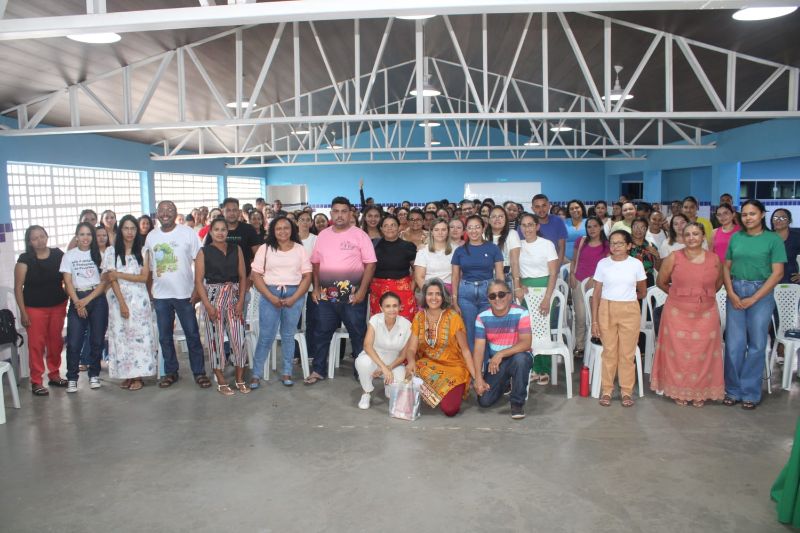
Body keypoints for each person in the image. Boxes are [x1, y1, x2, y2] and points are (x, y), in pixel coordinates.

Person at [651, 222, 724, 407]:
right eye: (688, 234)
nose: (692, 237)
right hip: (677, 313)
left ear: (703, 237)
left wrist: (701, 296)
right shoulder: (674, 257)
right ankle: (678, 390)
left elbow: (718, 284)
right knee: (678, 353)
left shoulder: (714, 259)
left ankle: (700, 392)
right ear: (683, 238)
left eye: (696, 234)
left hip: (706, 313)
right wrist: (680, 296)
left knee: (703, 352)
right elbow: (661, 282)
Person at [306, 196, 377, 384]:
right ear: (331, 213)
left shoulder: (360, 235)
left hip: (353, 297)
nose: (339, 215)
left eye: (344, 211)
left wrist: (362, 291)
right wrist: (315, 288)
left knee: (358, 334)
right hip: (325, 296)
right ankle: (318, 370)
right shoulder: (323, 236)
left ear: (350, 213)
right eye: (336, 211)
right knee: (321, 333)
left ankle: (361, 372)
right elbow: (315, 263)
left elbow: (370, 265)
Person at [723, 200, 786, 410]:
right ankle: (733, 390)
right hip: (736, 291)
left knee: (757, 344)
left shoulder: (773, 239)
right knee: (734, 344)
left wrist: (755, 297)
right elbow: (726, 266)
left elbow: (778, 273)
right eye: (744, 214)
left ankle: (750, 392)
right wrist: (731, 292)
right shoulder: (736, 238)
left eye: (752, 214)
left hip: (762, 293)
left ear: (762, 215)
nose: (748, 218)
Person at [146, 200, 210, 389]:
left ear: (175, 213)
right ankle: (170, 372)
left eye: (170, 210)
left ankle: (199, 373)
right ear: (157, 214)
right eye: (162, 210)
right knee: (165, 337)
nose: (165, 213)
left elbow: (199, 259)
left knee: (192, 334)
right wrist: (149, 291)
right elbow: (149, 266)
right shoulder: (151, 236)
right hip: (160, 296)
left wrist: (198, 288)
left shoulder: (187, 233)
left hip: (184, 294)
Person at [250, 216, 312, 388]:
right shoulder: (265, 248)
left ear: (292, 229)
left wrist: (294, 297)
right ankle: (256, 373)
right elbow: (256, 275)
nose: (283, 231)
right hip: (269, 293)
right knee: (266, 335)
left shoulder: (300, 249)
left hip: (294, 294)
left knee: (288, 335)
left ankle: (287, 372)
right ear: (273, 231)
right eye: (278, 228)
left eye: (286, 228)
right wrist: (270, 297)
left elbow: (307, 276)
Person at [590, 230, 647, 407]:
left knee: (627, 354)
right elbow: (596, 294)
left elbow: (643, 291)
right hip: (606, 309)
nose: (615, 246)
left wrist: (627, 299)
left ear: (629, 246)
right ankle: (607, 390)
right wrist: (594, 320)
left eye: (620, 243)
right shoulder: (603, 264)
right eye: (612, 243)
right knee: (609, 351)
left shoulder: (636, 264)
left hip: (629, 310)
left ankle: (626, 391)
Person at [405, 279, 477, 416]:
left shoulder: (453, 317)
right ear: (424, 296)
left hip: (453, 369)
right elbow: (411, 349)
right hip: (428, 367)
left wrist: (476, 378)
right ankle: (436, 394)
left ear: (443, 297)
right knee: (412, 370)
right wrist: (411, 361)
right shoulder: (419, 317)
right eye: (430, 294)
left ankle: (441, 392)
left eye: (438, 294)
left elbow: (466, 351)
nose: (434, 298)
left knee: (450, 409)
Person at [102, 215, 157, 391]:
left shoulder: (144, 251)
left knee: (139, 337)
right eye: (126, 228)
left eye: (133, 228)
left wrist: (119, 274)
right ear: (120, 230)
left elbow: (143, 277)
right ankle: (127, 374)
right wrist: (122, 303)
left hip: (139, 300)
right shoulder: (111, 252)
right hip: (117, 300)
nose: (130, 232)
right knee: (121, 337)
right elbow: (110, 279)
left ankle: (138, 375)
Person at [195, 218, 249, 395]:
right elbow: (198, 281)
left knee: (239, 339)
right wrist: (207, 305)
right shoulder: (204, 252)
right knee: (215, 340)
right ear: (210, 232)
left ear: (228, 232)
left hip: (234, 296)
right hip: (213, 297)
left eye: (223, 229)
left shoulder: (236, 249)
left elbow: (243, 277)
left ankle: (240, 379)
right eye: (216, 229)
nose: (220, 233)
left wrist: (241, 301)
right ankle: (221, 380)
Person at [14, 225, 68, 396]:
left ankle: (54, 374)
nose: (39, 240)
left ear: (46, 236)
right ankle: (36, 381)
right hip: (34, 309)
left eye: (42, 236)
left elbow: (67, 279)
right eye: (35, 238)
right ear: (29, 242)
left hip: (58, 306)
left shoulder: (58, 254)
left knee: (56, 342)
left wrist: (69, 299)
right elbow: (18, 288)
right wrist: (23, 312)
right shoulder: (25, 259)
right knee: (36, 345)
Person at [473, 279, 533, 419]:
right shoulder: (482, 317)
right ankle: (505, 382)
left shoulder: (522, 312)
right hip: (497, 364)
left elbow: (526, 343)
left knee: (521, 359)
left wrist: (501, 354)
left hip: (518, 356)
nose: (497, 299)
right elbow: (478, 350)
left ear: (509, 295)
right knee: (484, 401)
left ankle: (517, 403)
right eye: (492, 296)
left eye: (501, 294)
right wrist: (478, 378)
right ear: (488, 299)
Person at [60, 222, 109, 393]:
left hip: (96, 299)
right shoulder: (69, 256)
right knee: (74, 342)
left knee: (97, 340)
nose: (85, 237)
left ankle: (94, 374)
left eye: (89, 234)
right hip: (77, 299)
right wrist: (77, 302)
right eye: (82, 234)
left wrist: (87, 300)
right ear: (76, 237)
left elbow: (104, 283)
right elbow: (67, 282)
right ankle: (72, 378)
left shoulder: (100, 255)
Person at [516, 213, 559, 383]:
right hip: (526, 293)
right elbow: (515, 270)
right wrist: (520, 284)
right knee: (528, 331)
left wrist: (547, 298)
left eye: (530, 224)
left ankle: (544, 368)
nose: (527, 228)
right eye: (524, 225)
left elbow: (553, 273)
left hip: (545, 290)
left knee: (543, 330)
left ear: (537, 226)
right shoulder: (518, 246)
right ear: (520, 228)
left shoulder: (547, 245)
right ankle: (533, 367)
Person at [451, 215, 504, 350]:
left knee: (487, 329)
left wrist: (501, 296)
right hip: (465, 294)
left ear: (483, 228)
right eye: (470, 228)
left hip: (488, 293)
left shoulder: (493, 248)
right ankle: (472, 363)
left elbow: (499, 275)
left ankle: (485, 362)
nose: (473, 231)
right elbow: (455, 277)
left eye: (477, 227)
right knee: (469, 330)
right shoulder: (459, 251)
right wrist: (454, 300)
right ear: (466, 230)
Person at [354, 292, 412, 409]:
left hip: (394, 363)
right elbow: (367, 346)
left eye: (395, 306)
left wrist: (388, 368)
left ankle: (389, 385)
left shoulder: (407, 325)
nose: (392, 310)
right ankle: (366, 392)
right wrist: (383, 367)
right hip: (373, 358)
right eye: (387, 306)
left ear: (400, 307)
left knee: (402, 378)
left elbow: (402, 356)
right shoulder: (375, 319)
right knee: (362, 363)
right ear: (381, 308)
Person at [569, 216, 609, 357]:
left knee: (594, 316)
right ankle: (580, 346)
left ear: (601, 227)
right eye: (589, 227)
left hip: (597, 284)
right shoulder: (581, 241)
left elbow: (608, 266)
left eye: (595, 226)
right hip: (578, 281)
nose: (592, 229)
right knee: (580, 316)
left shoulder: (607, 245)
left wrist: (596, 278)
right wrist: (572, 275)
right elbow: (574, 260)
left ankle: (594, 344)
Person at [370, 214, 417, 321]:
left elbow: (416, 269)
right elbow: (369, 267)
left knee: (404, 323)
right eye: (386, 225)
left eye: (393, 225)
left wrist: (412, 288)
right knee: (380, 323)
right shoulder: (373, 245)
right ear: (381, 228)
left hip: (403, 291)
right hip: (378, 291)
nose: (389, 228)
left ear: (399, 227)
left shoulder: (408, 246)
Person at [222, 197, 261, 301]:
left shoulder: (248, 229)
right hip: (219, 283)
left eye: (234, 210)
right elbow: (207, 256)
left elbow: (258, 257)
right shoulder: (216, 230)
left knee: (241, 311)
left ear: (239, 212)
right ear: (223, 211)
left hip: (243, 282)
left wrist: (250, 278)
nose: (232, 213)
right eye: (228, 210)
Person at [414, 219, 455, 294]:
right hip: (428, 290)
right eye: (436, 230)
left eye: (443, 230)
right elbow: (419, 277)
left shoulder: (456, 250)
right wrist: (430, 294)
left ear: (448, 232)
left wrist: (453, 294)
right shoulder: (423, 251)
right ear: (432, 232)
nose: (440, 233)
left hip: (450, 291)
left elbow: (459, 276)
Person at [486, 206, 521, 291]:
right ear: (489, 220)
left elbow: (514, 262)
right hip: (486, 279)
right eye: (494, 216)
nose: (497, 219)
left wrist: (517, 287)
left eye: (501, 216)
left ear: (506, 220)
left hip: (506, 278)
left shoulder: (512, 234)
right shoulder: (483, 236)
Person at [530, 194, 568, 264]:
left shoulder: (558, 221)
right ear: (532, 209)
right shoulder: (527, 223)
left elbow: (561, 247)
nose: (541, 209)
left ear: (549, 206)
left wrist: (557, 267)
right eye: (537, 207)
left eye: (544, 205)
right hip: (533, 265)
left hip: (554, 264)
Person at [770, 208, 800, 284]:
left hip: (791, 280)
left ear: (789, 221)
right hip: (770, 280)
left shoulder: (796, 237)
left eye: (783, 218)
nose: (778, 220)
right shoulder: (766, 238)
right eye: (775, 218)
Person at [630, 217, 661, 286]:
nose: (638, 230)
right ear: (631, 228)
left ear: (646, 230)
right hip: (629, 281)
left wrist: (657, 256)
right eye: (636, 227)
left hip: (648, 281)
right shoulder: (625, 245)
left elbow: (658, 268)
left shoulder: (651, 246)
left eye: (642, 228)